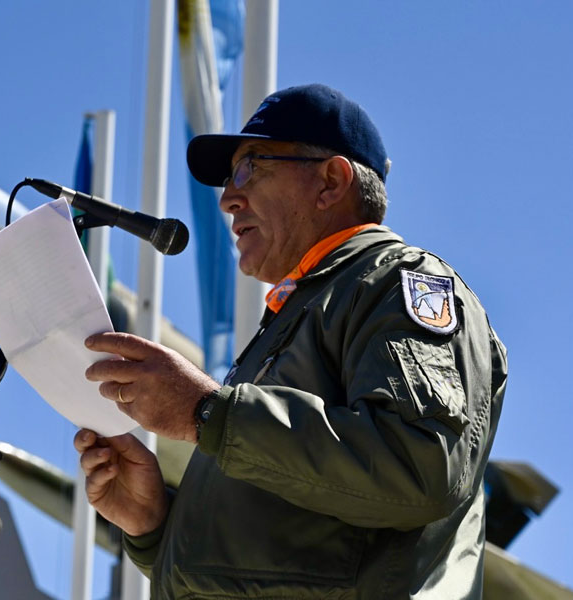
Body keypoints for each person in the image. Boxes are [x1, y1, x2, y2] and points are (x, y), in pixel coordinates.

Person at [74, 84, 506, 599]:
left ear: (330, 181)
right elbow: (275, 556)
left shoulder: (398, 283)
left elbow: (418, 466)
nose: (229, 198)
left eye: (251, 167)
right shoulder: (300, 314)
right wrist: (152, 527)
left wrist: (208, 412)